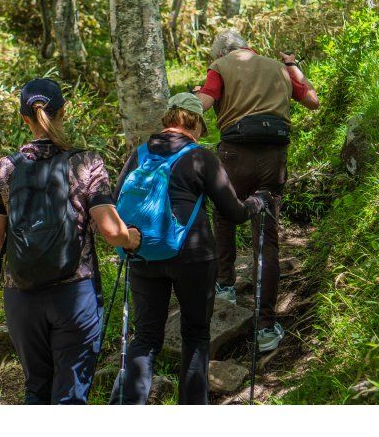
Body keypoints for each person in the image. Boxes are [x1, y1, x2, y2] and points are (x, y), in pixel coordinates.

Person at [0, 78, 140, 405]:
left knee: (36, 388)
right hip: (74, 293)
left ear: (24, 117)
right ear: (63, 111)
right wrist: (131, 238)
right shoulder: (86, 163)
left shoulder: (7, 168)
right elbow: (111, 231)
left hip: (22, 296)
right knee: (70, 394)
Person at [109, 93, 270, 405]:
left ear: (168, 119)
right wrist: (258, 201)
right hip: (193, 257)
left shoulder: (138, 154)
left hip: (142, 252)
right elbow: (234, 212)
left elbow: (115, 203)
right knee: (195, 336)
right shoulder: (201, 157)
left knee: (144, 339)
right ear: (194, 122)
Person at [194, 30, 320, 353]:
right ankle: (265, 326)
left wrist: (196, 96)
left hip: (235, 153)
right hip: (273, 156)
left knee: (224, 213)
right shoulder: (278, 68)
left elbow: (203, 106)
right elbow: (312, 101)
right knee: (267, 236)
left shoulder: (220, 67)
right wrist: (294, 68)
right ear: (246, 47)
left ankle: (225, 286)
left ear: (220, 53)